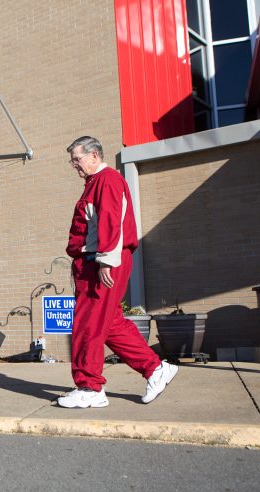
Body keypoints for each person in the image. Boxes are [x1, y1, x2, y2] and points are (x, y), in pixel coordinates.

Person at [56, 136, 177, 408]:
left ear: (94, 156)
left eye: (78, 159)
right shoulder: (96, 183)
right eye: (72, 160)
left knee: (87, 325)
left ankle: (90, 388)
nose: (74, 165)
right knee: (108, 323)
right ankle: (156, 369)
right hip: (96, 262)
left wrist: (106, 261)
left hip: (101, 263)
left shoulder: (106, 180)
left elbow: (112, 221)